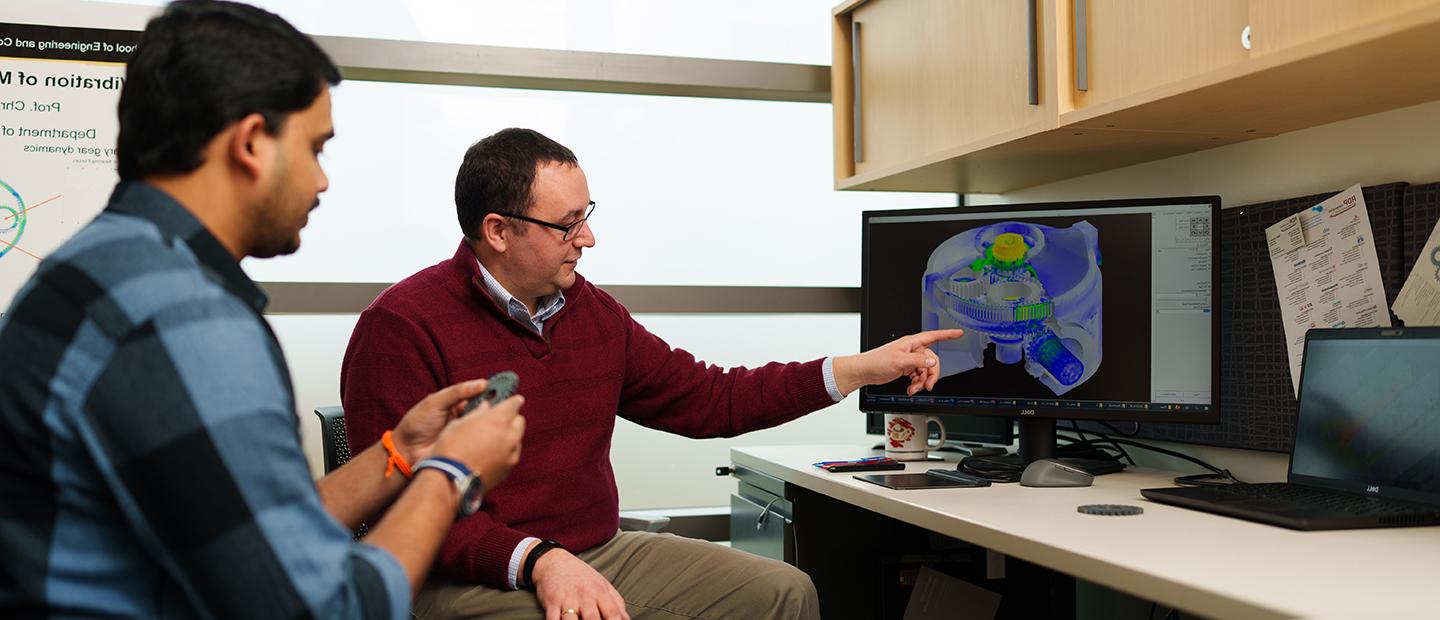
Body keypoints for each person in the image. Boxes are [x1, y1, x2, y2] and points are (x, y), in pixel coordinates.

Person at [0, 3, 525, 618]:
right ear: (251, 143)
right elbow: (318, 609)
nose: (323, 182)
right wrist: (453, 472)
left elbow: (250, 535)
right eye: (314, 149)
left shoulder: (105, 265)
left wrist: (402, 453)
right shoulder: (181, 314)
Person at [341, 127, 964, 619]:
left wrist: (861, 368)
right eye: (567, 224)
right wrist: (539, 561)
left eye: (587, 213)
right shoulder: (401, 326)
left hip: (593, 550)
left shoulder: (590, 311)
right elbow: (404, 514)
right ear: (498, 231)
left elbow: (712, 399)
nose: (588, 238)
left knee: (782, 592)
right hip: (458, 575)